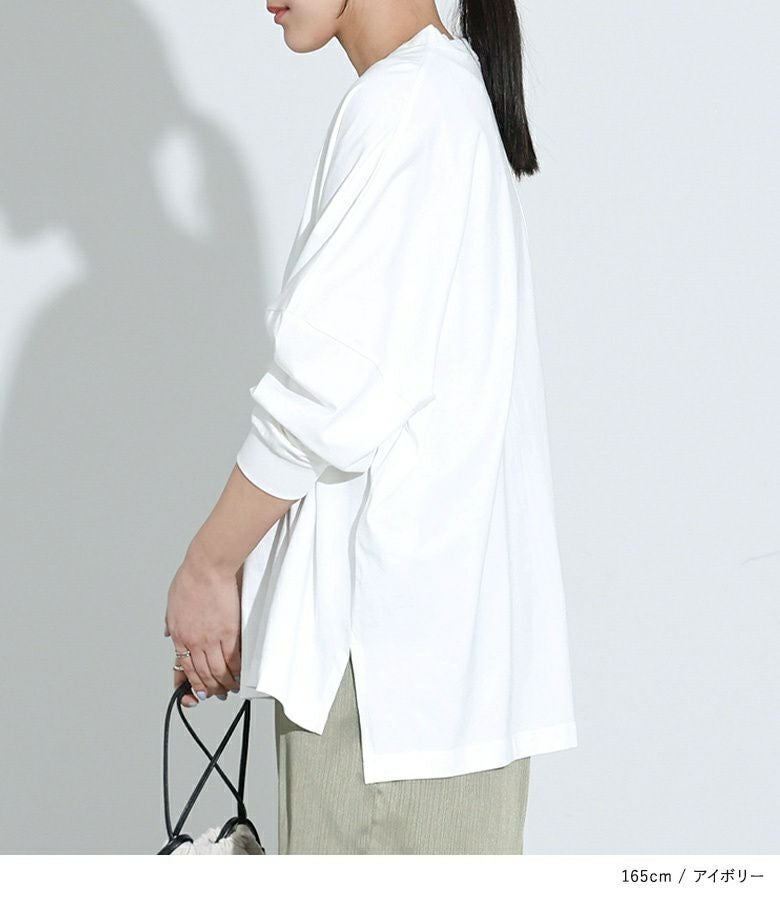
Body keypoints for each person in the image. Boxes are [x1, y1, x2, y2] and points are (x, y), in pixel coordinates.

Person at [164, 0, 578, 855]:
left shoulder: (405, 105)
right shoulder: (446, 95)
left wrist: (210, 565)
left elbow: (330, 389)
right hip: (437, 683)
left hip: (385, 696)